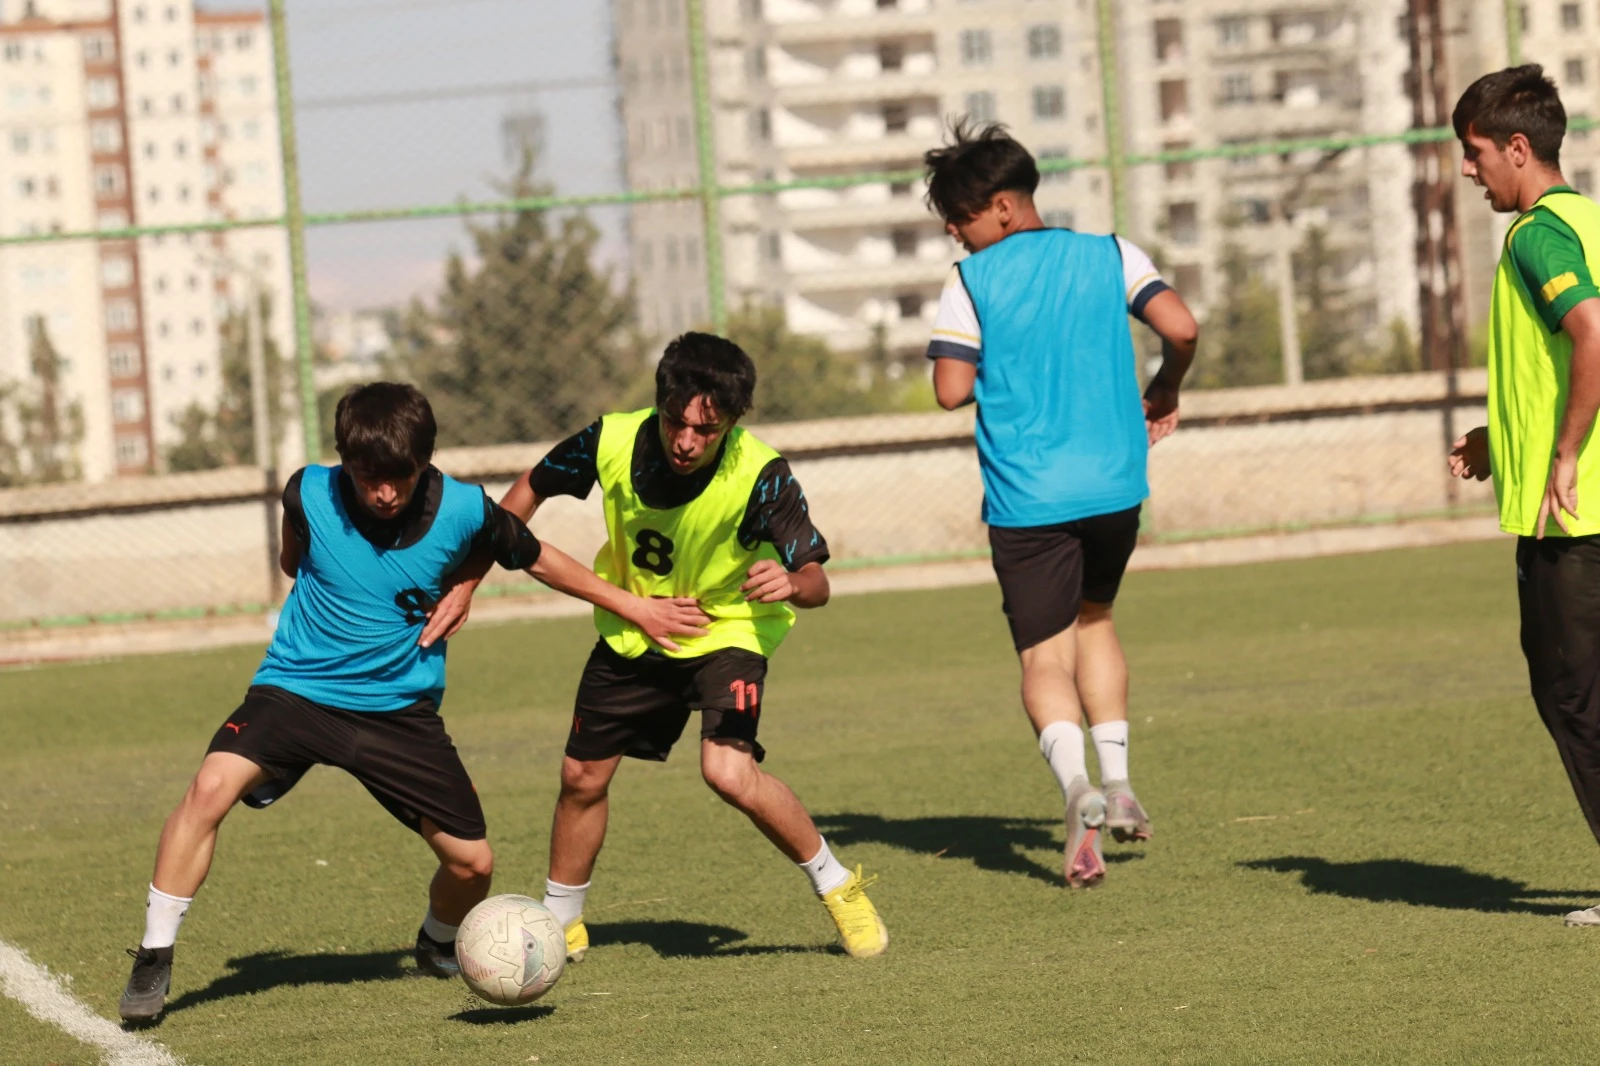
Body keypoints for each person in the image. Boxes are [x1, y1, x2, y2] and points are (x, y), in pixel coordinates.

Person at [118, 382, 709, 1023]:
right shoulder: (306, 492)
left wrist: (634, 608)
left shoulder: (464, 509)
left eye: (399, 477)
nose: (384, 493)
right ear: (345, 461)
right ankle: (154, 956)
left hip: (398, 712)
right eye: (368, 477)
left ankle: (435, 940)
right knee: (209, 788)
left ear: (425, 461)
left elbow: (537, 558)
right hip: (295, 690)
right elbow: (293, 561)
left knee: (473, 865)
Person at [441, 332, 888, 961]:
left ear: (732, 423)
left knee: (727, 772)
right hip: (635, 626)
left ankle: (838, 886)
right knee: (581, 777)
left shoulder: (762, 474)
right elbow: (526, 491)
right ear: (661, 403)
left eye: (707, 429)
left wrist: (792, 582)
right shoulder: (612, 439)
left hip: (724, 630)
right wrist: (468, 583)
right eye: (676, 421)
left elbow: (817, 584)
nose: (686, 441)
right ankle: (561, 922)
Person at [921, 120, 1199, 888]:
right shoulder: (1112, 254)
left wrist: (1002, 359)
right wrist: (1166, 385)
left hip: (1028, 494)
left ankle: (1077, 788)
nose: (952, 231)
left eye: (960, 216)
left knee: (1045, 653)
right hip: (1115, 485)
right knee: (1096, 619)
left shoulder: (971, 281)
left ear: (1003, 208)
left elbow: (949, 390)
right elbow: (1181, 327)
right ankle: (1120, 782)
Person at [1447, 66, 1600, 928]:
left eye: (1474, 152)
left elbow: (1593, 334)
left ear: (1516, 147)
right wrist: (1500, 439)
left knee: (1571, 696)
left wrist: (1564, 455)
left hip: (1574, 517)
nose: (1468, 170)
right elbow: (1557, 367)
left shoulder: (1537, 236)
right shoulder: (1592, 222)